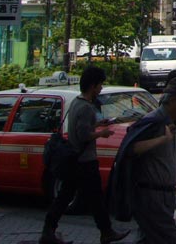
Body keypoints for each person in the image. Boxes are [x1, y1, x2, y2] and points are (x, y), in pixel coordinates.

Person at [41, 66, 129, 244]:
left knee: (68, 196)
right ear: (92, 85)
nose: (101, 88)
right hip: (84, 161)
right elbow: (82, 136)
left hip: (76, 159)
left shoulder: (76, 103)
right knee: (94, 197)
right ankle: (106, 231)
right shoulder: (86, 108)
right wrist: (100, 133)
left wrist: (97, 125)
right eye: (100, 84)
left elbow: (80, 130)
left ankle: (49, 231)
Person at [128, 76, 176, 244]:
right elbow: (132, 148)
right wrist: (162, 139)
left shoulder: (169, 121)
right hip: (152, 197)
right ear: (174, 100)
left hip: (163, 196)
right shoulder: (155, 121)